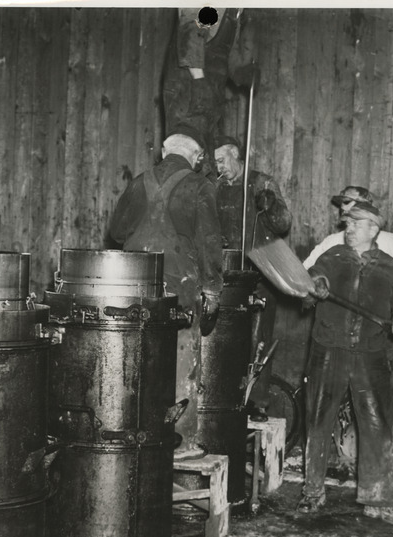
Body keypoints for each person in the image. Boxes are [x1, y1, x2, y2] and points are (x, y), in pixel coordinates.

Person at [303, 186, 393, 489]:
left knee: (381, 412)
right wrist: (316, 285)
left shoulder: (391, 253)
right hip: (332, 343)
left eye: (351, 210)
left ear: (371, 219)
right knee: (323, 414)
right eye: (343, 211)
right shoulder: (333, 248)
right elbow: (310, 275)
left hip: (373, 344)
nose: (344, 216)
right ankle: (322, 479)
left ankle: (390, 478)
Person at [108, 123, 223, 450]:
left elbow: (117, 232)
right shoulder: (200, 186)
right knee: (182, 364)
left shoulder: (138, 182)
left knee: (133, 361)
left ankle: (131, 438)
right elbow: (210, 244)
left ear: (163, 151)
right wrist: (213, 290)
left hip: (131, 286)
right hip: (180, 289)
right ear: (198, 157)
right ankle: (180, 443)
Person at [214, 136, 292, 421]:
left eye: (222, 160)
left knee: (257, 339)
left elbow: (284, 224)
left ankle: (256, 401)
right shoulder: (215, 187)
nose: (218, 166)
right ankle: (222, 398)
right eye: (214, 162)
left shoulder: (262, 182)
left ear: (235, 154)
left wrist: (270, 205)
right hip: (224, 274)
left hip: (259, 274)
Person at [162, 8, 258, 167]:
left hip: (211, 92)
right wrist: (200, 82)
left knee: (207, 162)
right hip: (188, 89)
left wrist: (244, 73)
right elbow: (190, 32)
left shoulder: (235, 12)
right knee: (186, 155)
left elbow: (227, 54)